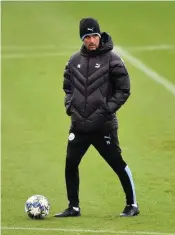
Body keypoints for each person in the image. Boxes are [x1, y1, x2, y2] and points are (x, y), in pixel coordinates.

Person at [55, 17, 139, 217]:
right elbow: (67, 87)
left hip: (103, 126)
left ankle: (132, 205)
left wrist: (106, 110)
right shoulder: (74, 61)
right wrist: (70, 106)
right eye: (87, 37)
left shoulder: (113, 60)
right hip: (79, 125)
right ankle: (73, 206)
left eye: (94, 36)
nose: (91, 40)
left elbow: (124, 89)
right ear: (82, 39)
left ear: (99, 36)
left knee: (117, 163)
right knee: (70, 164)